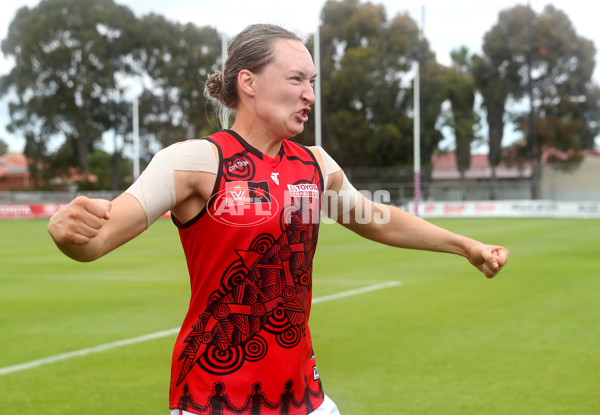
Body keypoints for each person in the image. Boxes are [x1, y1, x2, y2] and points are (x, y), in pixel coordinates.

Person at [47, 24, 509, 415]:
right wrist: (68, 234)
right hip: (213, 398)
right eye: (296, 80)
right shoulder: (192, 162)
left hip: (303, 395)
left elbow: (376, 218)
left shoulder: (316, 165)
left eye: (312, 82)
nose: (309, 95)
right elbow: (97, 239)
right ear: (248, 82)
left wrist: (464, 246)